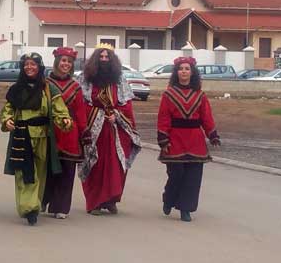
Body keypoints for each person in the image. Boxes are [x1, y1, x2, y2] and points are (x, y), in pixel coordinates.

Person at [1, 53, 72, 225]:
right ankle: (29, 207)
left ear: (39, 67)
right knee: (23, 172)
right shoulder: (16, 89)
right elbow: (7, 110)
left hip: (42, 137)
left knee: (39, 173)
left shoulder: (49, 89)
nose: (29, 67)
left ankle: (34, 204)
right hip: (21, 135)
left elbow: (58, 109)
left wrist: (64, 119)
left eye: (33, 64)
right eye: (26, 64)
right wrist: (7, 120)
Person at [78, 45, 143, 215]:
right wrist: (95, 115)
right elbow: (80, 104)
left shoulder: (119, 80)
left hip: (115, 131)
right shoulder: (85, 79)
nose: (104, 60)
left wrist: (117, 115)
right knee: (95, 165)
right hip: (93, 131)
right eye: (102, 57)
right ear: (95, 60)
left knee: (116, 166)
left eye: (107, 57)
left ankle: (110, 200)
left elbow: (127, 105)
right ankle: (94, 202)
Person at [157, 57, 221, 222]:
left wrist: (212, 134)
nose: (184, 71)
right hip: (175, 139)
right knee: (176, 174)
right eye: (181, 69)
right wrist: (163, 138)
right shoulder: (168, 94)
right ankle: (169, 199)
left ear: (192, 72)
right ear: (176, 72)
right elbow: (163, 118)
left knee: (193, 177)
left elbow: (206, 117)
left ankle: (186, 209)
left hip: (195, 140)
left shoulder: (200, 95)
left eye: (187, 69)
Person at [42, 47, 89, 219]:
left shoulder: (76, 87)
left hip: (70, 133)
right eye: (63, 61)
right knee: (48, 169)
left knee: (67, 170)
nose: (66, 64)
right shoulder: (45, 83)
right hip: (50, 131)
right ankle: (44, 199)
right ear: (56, 62)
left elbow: (80, 112)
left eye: (69, 62)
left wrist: (85, 132)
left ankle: (61, 207)